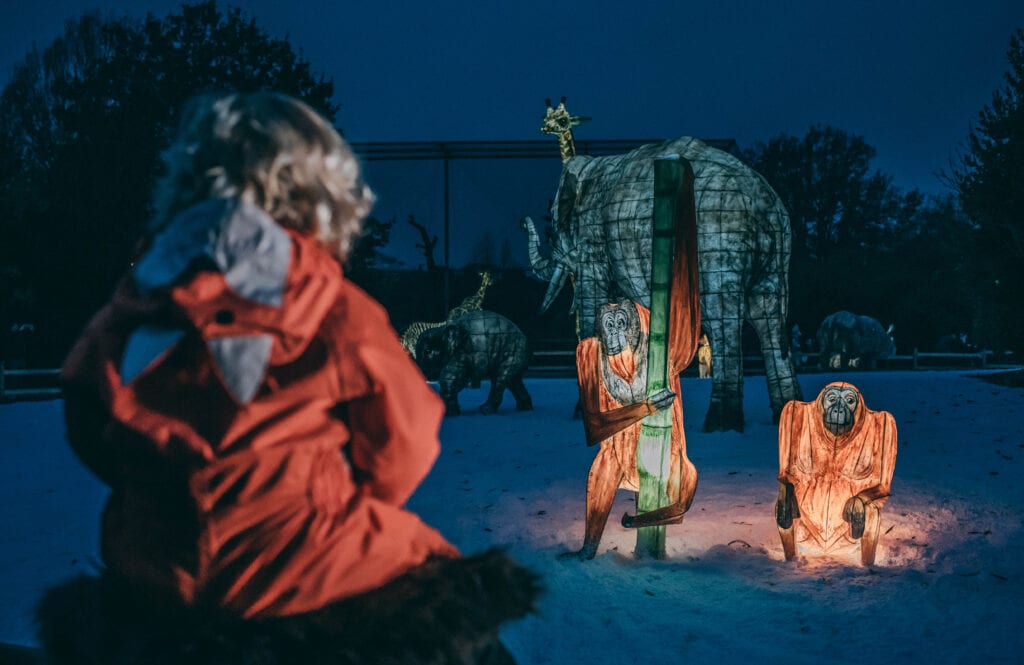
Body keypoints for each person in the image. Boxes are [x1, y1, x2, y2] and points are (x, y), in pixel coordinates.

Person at [51, 92, 536, 662]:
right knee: (470, 635)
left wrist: (161, 483)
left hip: (160, 577)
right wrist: (341, 493)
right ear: (322, 196)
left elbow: (86, 418)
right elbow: (405, 439)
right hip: (314, 566)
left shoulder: (134, 304)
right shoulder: (332, 306)